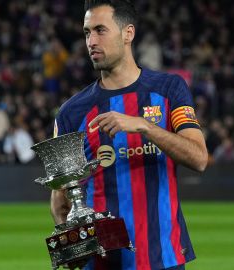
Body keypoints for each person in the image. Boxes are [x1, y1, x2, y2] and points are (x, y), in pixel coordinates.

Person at [51, 1, 208, 269]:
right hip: (101, 263)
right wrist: (72, 248)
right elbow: (61, 201)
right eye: (87, 32)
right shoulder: (70, 113)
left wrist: (144, 126)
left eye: (101, 30)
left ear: (128, 33)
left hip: (162, 258)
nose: (91, 41)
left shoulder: (170, 89)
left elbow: (199, 158)